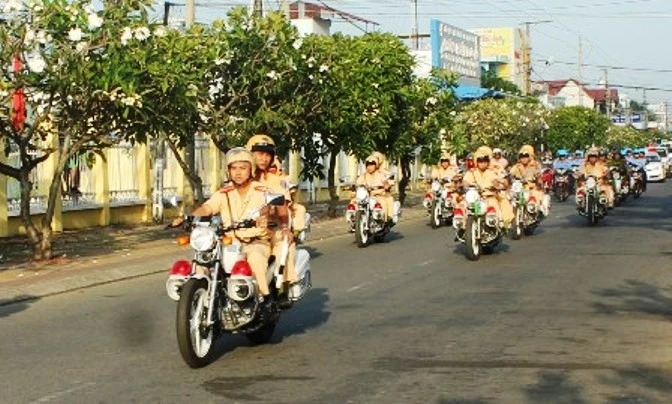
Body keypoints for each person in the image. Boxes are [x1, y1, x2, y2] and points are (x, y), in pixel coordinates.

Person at [174, 148, 274, 306]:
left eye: (243, 168)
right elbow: (208, 208)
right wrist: (189, 218)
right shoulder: (224, 193)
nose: (238, 172)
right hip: (228, 242)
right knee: (203, 262)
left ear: (251, 169)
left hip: (255, 242)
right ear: (228, 171)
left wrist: (264, 215)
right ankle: (203, 301)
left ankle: (263, 300)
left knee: (256, 260)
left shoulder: (261, 191)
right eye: (233, 168)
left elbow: (268, 207)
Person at [245, 134, 299, 292]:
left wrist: (284, 228)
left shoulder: (275, 180)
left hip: (271, 228)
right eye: (259, 153)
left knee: (283, 246)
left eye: (268, 154)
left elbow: (282, 206)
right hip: (240, 229)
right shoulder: (238, 178)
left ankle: (284, 286)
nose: (264, 158)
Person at [455, 146, 514, 230]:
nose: (483, 163)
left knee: (494, 204)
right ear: (476, 161)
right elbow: (465, 182)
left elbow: (500, 180)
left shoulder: (493, 171)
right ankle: (461, 227)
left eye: (485, 160)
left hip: (489, 197)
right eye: (480, 161)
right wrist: (463, 186)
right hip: (475, 197)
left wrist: (499, 184)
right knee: (461, 205)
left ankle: (498, 226)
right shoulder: (472, 172)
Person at [270, 157, 308, 237]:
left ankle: (296, 231)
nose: (271, 169)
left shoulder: (283, 178)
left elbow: (288, 193)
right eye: (270, 167)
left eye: (274, 166)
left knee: (300, 209)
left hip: (283, 205)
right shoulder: (259, 178)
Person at [509, 145, 549, 216]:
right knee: (511, 199)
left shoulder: (535, 165)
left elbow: (539, 174)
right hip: (520, 188)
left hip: (532, 187)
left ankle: (538, 211)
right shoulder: (517, 166)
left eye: (526, 156)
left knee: (536, 196)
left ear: (530, 156)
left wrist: (538, 178)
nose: (524, 159)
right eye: (522, 157)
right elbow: (510, 173)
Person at [355, 154, 395, 225]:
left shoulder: (380, 173)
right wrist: (351, 186)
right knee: (354, 202)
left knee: (382, 202)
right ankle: (355, 222)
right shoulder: (364, 175)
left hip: (378, 195)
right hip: (367, 196)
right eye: (368, 165)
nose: (369, 167)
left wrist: (387, 185)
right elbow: (357, 183)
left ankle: (384, 221)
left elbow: (388, 181)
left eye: (372, 165)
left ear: (376, 165)